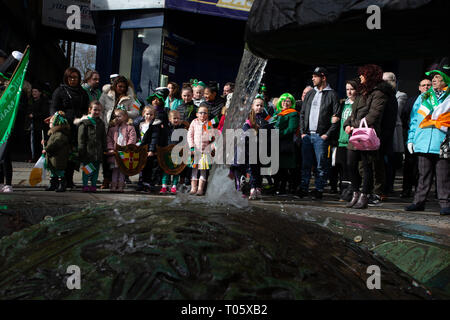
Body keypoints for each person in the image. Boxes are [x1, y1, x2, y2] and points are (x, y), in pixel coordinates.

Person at [344, 64, 392, 209]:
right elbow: (353, 111)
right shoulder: (361, 92)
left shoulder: (379, 93)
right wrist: (347, 124)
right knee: (351, 164)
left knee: (367, 166)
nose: (360, 77)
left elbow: (373, 115)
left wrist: (354, 125)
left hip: (367, 134)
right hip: (354, 133)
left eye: (363, 74)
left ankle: (365, 194)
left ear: (369, 75)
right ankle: (355, 193)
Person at [406, 59, 450, 215]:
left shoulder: (449, 97)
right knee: (423, 175)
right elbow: (414, 120)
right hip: (423, 141)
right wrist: (411, 139)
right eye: (433, 78)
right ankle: (419, 202)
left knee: (443, 175)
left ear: (446, 80)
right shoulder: (423, 97)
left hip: (442, 142)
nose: (434, 80)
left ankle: (445, 203)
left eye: (437, 78)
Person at [299, 67, 340, 199]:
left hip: (321, 136)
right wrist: (303, 132)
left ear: (323, 77)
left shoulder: (332, 94)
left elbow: (336, 117)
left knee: (321, 165)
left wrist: (326, 134)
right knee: (305, 164)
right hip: (307, 135)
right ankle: (304, 188)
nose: (312, 78)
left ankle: (319, 189)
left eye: (315, 76)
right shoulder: (310, 93)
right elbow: (303, 114)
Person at [50, 67, 90, 190]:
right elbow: (53, 107)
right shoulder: (60, 91)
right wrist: (56, 115)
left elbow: (86, 109)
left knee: (72, 155)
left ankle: (69, 179)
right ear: (66, 78)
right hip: (62, 128)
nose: (73, 80)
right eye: (70, 77)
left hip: (77, 127)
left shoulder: (83, 93)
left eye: (75, 77)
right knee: (59, 154)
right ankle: (55, 181)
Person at [99, 75, 138, 189]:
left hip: (121, 128)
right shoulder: (106, 94)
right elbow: (100, 109)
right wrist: (102, 122)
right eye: (119, 86)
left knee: (119, 156)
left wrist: (125, 114)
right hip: (107, 127)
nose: (121, 89)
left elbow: (136, 111)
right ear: (115, 86)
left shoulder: (130, 97)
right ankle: (106, 179)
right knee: (107, 155)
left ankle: (119, 180)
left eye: (124, 87)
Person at [400, 78, 431, 198]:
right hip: (413, 136)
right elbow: (405, 116)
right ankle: (406, 189)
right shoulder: (412, 100)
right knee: (409, 165)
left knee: (423, 168)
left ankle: (421, 191)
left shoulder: (435, 101)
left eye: (429, 85)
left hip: (427, 138)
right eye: (424, 85)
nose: (426, 87)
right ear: (419, 87)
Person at [383, 72, 407, 194]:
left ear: (394, 82)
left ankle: (389, 186)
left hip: (394, 131)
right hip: (383, 131)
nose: (385, 84)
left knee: (391, 160)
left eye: (387, 81)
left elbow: (396, 111)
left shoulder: (400, 95)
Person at [244, 97, 272, 199]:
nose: (259, 107)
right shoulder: (249, 117)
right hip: (251, 147)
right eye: (257, 105)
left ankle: (258, 188)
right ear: (252, 106)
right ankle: (252, 188)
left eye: (261, 105)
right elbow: (245, 129)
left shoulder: (267, 117)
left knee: (260, 170)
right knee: (252, 169)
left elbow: (273, 127)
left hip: (263, 147)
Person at [335, 79, 358, 201]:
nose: (349, 92)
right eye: (347, 89)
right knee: (341, 167)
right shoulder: (343, 104)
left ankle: (350, 193)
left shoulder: (358, 104)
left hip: (352, 140)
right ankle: (343, 191)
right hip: (341, 139)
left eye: (352, 89)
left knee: (350, 168)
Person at [78, 101, 107, 193]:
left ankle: (93, 185)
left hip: (98, 152)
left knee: (96, 169)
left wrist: (104, 149)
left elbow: (103, 137)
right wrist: (81, 150)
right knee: (87, 169)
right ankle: (85, 185)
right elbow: (81, 138)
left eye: (99, 110)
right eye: (95, 109)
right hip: (88, 151)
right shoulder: (85, 123)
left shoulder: (100, 123)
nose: (97, 112)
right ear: (90, 110)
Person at [106, 107, 137, 193]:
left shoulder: (130, 128)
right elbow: (109, 139)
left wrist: (128, 148)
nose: (117, 118)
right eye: (115, 116)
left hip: (124, 152)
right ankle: (113, 185)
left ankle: (120, 186)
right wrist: (111, 148)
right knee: (115, 170)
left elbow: (132, 139)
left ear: (125, 117)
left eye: (119, 116)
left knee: (122, 170)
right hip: (115, 153)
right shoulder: (112, 129)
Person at [274, 93, 300, 195]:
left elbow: (291, 129)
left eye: (288, 101)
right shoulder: (278, 113)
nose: (285, 103)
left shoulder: (293, 113)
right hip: (277, 143)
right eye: (284, 101)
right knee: (278, 167)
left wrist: (278, 134)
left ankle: (284, 187)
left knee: (285, 167)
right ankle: (278, 186)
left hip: (286, 143)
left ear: (291, 103)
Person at [188, 104, 215, 196]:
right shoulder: (194, 122)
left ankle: (200, 189)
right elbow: (190, 135)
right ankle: (193, 188)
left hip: (205, 152)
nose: (202, 115)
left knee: (203, 170)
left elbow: (212, 137)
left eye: (205, 113)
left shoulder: (209, 123)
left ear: (207, 115)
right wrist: (191, 146)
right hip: (195, 151)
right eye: (201, 113)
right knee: (194, 170)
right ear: (197, 114)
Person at [42, 111, 71, 192]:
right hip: (53, 158)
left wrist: (46, 149)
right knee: (53, 172)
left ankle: (62, 185)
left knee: (59, 172)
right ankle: (53, 185)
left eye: (51, 122)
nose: (49, 124)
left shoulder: (60, 134)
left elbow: (55, 145)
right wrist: (45, 143)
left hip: (58, 158)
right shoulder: (54, 133)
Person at [160, 110, 186, 195]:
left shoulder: (182, 128)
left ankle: (174, 186)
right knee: (166, 169)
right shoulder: (166, 128)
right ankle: (164, 186)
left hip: (177, 152)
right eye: (174, 118)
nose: (176, 120)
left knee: (176, 170)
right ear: (170, 119)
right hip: (167, 151)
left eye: (178, 118)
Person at [139, 106, 163, 193]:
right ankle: (141, 182)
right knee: (142, 166)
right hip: (142, 148)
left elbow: (154, 138)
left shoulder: (154, 125)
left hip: (149, 149)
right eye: (147, 114)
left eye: (151, 114)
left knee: (149, 167)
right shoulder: (141, 124)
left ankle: (149, 184)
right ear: (143, 114)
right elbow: (140, 136)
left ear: (154, 115)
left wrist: (152, 150)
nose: (149, 116)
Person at [27, 84, 49, 162]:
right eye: (33, 91)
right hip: (32, 125)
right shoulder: (30, 101)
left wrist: (34, 115)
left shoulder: (43, 102)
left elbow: (44, 113)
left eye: (36, 91)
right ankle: (33, 156)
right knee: (32, 141)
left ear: (40, 93)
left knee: (40, 142)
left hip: (40, 125)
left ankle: (39, 157)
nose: (34, 93)